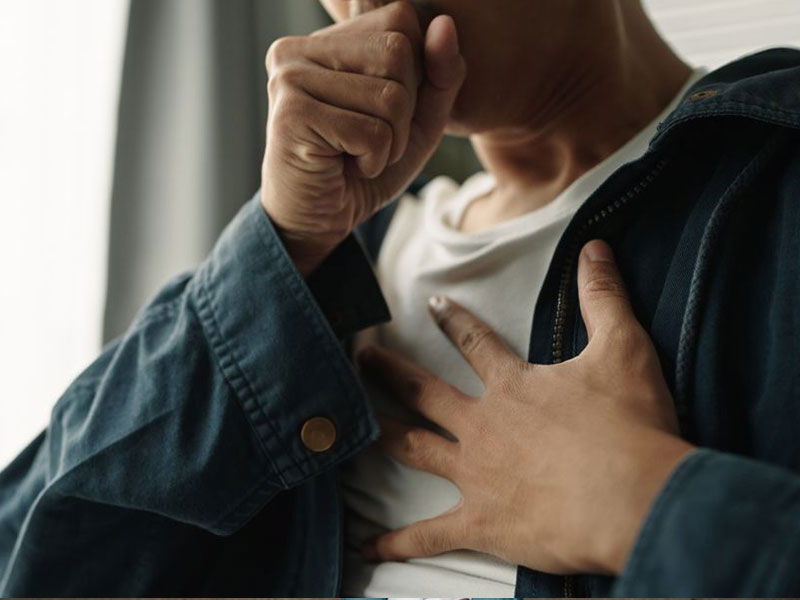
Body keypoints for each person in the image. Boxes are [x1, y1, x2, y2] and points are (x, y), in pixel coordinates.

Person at [0, 0, 798, 596]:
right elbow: (30, 560)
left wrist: (642, 503)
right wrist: (280, 245)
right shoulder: (339, 268)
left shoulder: (777, 187)